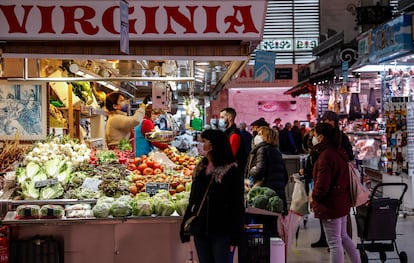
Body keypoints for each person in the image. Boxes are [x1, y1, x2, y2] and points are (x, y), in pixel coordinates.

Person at [179, 129, 245, 263]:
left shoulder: (231, 171)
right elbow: (193, 199)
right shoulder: (201, 168)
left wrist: (235, 236)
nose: (199, 144)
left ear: (214, 145)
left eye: (203, 141)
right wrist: (185, 226)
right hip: (200, 229)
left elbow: (237, 204)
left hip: (222, 230)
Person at [311, 122, 361, 263]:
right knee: (343, 237)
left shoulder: (325, 156)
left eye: (314, 135)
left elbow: (322, 186)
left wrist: (314, 195)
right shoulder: (338, 152)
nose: (313, 138)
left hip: (330, 204)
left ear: (321, 137)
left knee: (334, 243)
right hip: (341, 201)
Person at [245, 126, 289, 215]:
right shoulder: (276, 151)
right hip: (277, 193)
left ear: (266, 136)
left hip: (265, 193)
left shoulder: (263, 149)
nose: (257, 136)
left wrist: (252, 171)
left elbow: (259, 171)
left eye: (260, 134)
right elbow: (285, 176)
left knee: (263, 223)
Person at [219, 107, 247, 172]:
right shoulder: (227, 133)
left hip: (233, 172)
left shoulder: (234, 135)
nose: (220, 120)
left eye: (222, 117)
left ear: (229, 118)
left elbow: (230, 156)